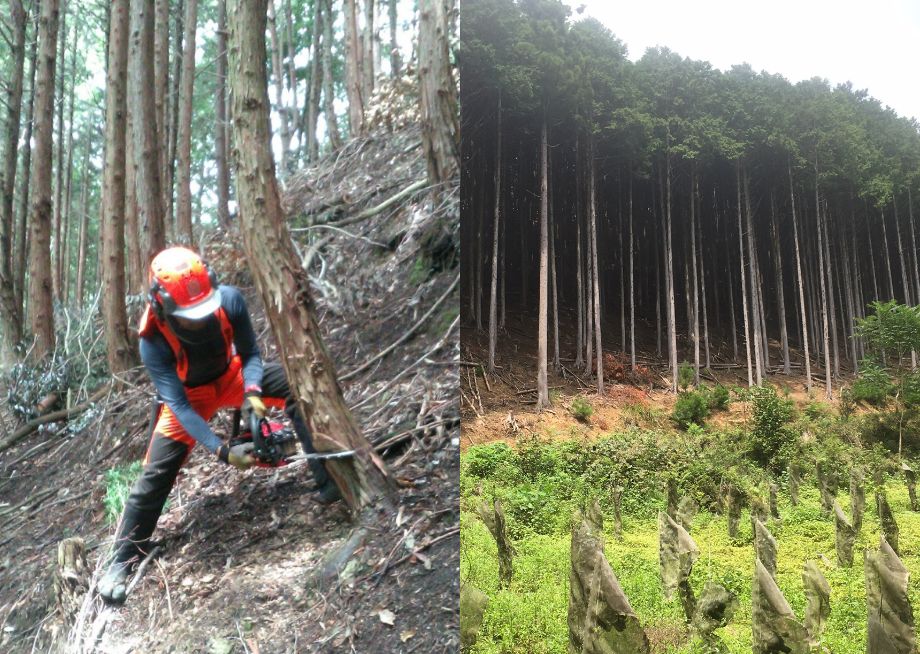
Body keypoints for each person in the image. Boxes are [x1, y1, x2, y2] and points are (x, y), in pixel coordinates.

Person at [97, 246, 341, 605]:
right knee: (154, 476)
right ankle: (122, 559)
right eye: (188, 314)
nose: (198, 319)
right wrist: (222, 450)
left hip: (232, 375)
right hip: (189, 397)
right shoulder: (152, 341)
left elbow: (252, 354)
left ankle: (330, 477)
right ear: (162, 303)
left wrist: (254, 392)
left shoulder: (229, 300)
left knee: (297, 386)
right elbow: (177, 404)